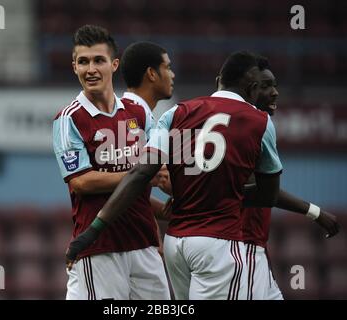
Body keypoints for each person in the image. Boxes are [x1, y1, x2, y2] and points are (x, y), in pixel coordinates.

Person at [66, 51, 284, 300]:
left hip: (176, 243)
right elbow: (269, 194)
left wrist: (94, 229)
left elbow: (153, 174)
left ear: (218, 82)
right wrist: (225, 191)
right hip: (217, 241)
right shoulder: (260, 122)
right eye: (168, 67)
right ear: (252, 87)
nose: (173, 73)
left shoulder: (177, 114)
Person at [52, 25, 170, 300]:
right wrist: (140, 174)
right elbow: (81, 182)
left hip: (144, 244)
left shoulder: (138, 110)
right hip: (101, 248)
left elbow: (159, 170)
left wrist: (173, 200)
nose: (90, 69)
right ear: (74, 67)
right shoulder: (69, 119)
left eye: (98, 60)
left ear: (114, 64)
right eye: (83, 61)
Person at [236, 56, 340, 300]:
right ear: (249, 90)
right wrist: (315, 212)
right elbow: (264, 192)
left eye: (275, 85)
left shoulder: (250, 126)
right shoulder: (245, 131)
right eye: (265, 86)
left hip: (254, 247)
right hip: (244, 246)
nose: (275, 93)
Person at [120, 41, 175, 256]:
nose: (172, 75)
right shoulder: (132, 116)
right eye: (168, 68)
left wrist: (163, 213)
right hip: (127, 244)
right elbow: (134, 179)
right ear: (152, 74)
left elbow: (131, 188)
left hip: (135, 240)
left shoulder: (138, 114)